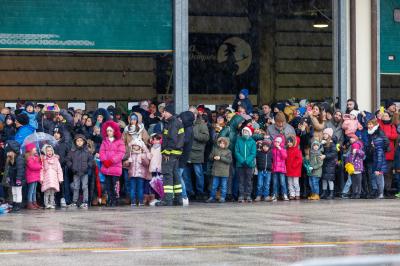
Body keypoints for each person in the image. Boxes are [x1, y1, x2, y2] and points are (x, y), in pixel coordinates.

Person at [156, 104, 185, 206]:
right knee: (175, 175)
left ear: (169, 112)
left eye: (164, 112)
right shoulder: (176, 122)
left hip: (170, 153)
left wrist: (166, 152)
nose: (163, 114)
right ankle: (178, 198)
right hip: (176, 153)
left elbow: (172, 139)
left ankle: (167, 199)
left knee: (167, 175)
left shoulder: (172, 123)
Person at [99, 120, 126, 207]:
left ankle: (115, 199)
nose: (109, 132)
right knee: (108, 185)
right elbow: (101, 152)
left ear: (114, 131)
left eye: (110, 130)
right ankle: (110, 199)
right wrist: (104, 160)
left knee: (115, 185)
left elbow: (121, 153)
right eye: (107, 131)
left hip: (115, 167)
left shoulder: (119, 141)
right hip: (107, 168)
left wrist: (111, 161)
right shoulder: (104, 141)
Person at [66, 135, 93, 208]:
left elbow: (91, 160)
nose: (79, 142)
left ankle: (85, 201)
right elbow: (68, 160)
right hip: (76, 172)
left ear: (84, 142)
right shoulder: (72, 151)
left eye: (81, 141)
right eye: (78, 141)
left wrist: (87, 168)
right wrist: (72, 167)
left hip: (85, 172)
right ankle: (74, 201)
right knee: (76, 187)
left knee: (85, 187)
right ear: (75, 142)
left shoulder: (87, 151)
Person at [188, 114, 210, 199]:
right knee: (186, 175)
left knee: (199, 174)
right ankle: (189, 192)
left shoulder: (202, 124)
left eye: (193, 113)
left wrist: (194, 134)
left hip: (197, 152)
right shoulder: (186, 123)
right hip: (187, 152)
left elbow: (206, 137)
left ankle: (200, 193)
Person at [377, 111, 398, 195]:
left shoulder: (392, 125)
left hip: (390, 152)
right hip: (381, 151)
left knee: (388, 173)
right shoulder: (380, 124)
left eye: (386, 116)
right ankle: (380, 190)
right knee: (381, 172)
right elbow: (378, 131)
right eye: (383, 116)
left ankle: (387, 189)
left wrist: (386, 135)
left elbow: (395, 136)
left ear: (390, 117)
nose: (384, 117)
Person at [206, 137, 232, 203]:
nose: (221, 144)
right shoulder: (215, 149)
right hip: (216, 171)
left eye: (223, 143)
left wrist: (220, 158)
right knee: (214, 185)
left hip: (224, 171)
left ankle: (223, 197)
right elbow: (210, 157)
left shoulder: (228, 151)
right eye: (221, 143)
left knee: (223, 186)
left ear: (226, 144)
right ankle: (212, 197)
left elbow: (229, 161)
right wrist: (213, 157)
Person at [235, 126, 257, 203]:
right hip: (240, 164)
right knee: (241, 180)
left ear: (249, 133)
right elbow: (236, 152)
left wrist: (247, 161)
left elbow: (253, 153)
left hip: (249, 164)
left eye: (246, 132)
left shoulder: (253, 142)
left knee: (248, 181)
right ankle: (241, 195)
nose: (245, 133)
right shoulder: (238, 141)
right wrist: (242, 161)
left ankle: (248, 195)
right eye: (244, 131)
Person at [128, 138, 151, 207]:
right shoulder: (130, 154)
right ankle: (133, 201)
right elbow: (126, 165)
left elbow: (147, 164)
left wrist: (143, 159)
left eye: (136, 145)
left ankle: (140, 201)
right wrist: (127, 162)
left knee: (140, 188)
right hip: (132, 174)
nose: (135, 147)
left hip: (140, 174)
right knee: (132, 188)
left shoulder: (143, 154)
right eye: (134, 146)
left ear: (140, 146)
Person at [40, 144, 63, 209]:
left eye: (50, 151)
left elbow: (59, 169)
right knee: (47, 192)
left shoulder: (56, 159)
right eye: (48, 151)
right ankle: (46, 204)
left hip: (54, 179)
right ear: (45, 152)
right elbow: (42, 170)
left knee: (52, 192)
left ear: (53, 151)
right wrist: (41, 178)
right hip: (46, 179)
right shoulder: (44, 160)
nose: (49, 152)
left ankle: (52, 203)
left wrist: (60, 178)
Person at [4, 141, 25, 212]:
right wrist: (8, 177)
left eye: (8, 152)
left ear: (12, 151)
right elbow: (9, 170)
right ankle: (15, 204)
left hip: (18, 179)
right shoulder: (10, 159)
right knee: (14, 192)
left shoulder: (19, 158)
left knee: (18, 191)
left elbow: (20, 170)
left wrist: (18, 179)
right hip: (13, 179)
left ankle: (18, 205)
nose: (7, 154)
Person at [321, 128, 337, 200]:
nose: (324, 135)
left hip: (330, 164)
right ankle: (324, 192)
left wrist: (325, 156)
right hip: (324, 163)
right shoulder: (323, 143)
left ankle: (331, 193)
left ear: (329, 135)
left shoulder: (332, 143)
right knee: (324, 178)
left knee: (330, 179)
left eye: (326, 134)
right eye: (324, 134)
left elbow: (334, 153)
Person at [25, 143, 42, 210]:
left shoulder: (35, 157)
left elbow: (37, 164)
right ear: (30, 150)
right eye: (34, 149)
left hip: (35, 176)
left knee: (34, 190)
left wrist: (40, 160)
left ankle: (34, 202)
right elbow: (32, 167)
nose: (36, 150)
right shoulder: (29, 158)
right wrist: (40, 166)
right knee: (31, 190)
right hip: (31, 177)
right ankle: (29, 202)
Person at [271, 135, 288, 201]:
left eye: (278, 142)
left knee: (282, 182)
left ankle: (285, 194)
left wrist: (280, 149)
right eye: (275, 142)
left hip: (281, 169)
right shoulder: (273, 150)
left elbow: (285, 157)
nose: (276, 143)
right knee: (275, 183)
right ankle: (275, 195)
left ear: (281, 143)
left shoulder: (283, 149)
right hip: (275, 169)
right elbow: (272, 158)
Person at [286, 135, 303, 200]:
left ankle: (297, 194)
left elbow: (299, 160)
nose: (289, 143)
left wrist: (294, 165)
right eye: (288, 142)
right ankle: (292, 194)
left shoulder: (297, 150)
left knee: (295, 182)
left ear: (294, 143)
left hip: (295, 169)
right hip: (289, 169)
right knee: (290, 182)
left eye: (290, 142)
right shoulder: (288, 150)